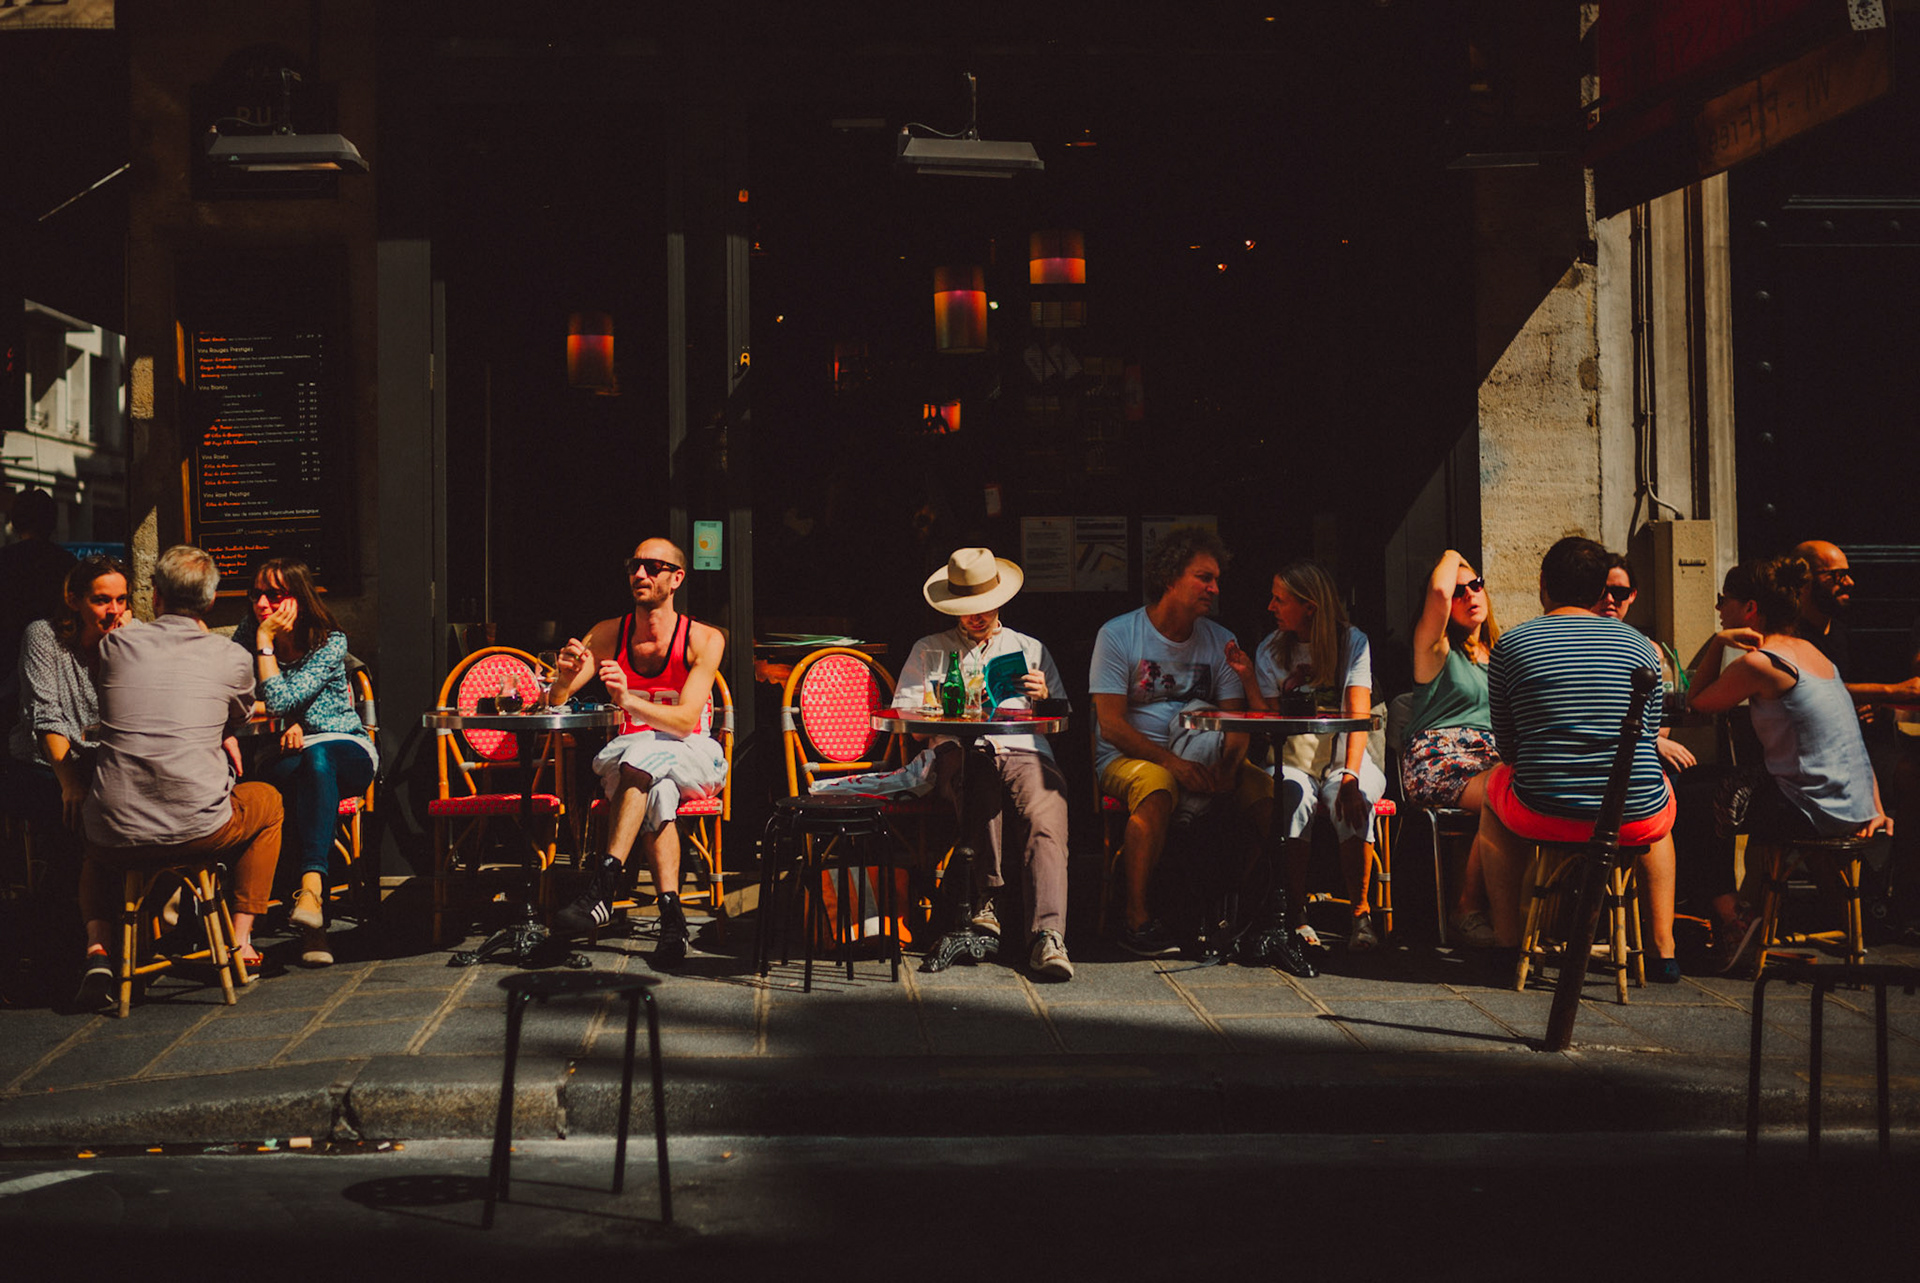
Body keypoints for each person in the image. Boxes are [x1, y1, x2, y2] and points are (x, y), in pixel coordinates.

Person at [75, 545, 283, 1008]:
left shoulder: (115, 646)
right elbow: (240, 713)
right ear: (210, 603)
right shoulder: (231, 657)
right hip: (197, 830)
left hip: (113, 831)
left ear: (154, 595)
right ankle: (239, 939)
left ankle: (98, 946)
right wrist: (223, 733)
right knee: (267, 800)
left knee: (103, 823)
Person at [1475, 537, 1681, 981]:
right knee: (1656, 795)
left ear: (1543, 584)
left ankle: (1507, 942)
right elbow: (1646, 737)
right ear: (1600, 591)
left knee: (1495, 791)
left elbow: (1509, 748)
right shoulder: (1643, 647)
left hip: (1544, 812)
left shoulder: (1511, 646)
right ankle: (1663, 949)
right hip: (1632, 819)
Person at [1687, 555, 1892, 972]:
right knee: (1708, 786)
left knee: (1687, 799)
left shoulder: (1761, 663)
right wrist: (1877, 806)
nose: (1719, 608)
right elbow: (1850, 742)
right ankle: (1737, 914)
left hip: (1811, 809)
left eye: (1723, 600)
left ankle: (1733, 919)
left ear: (1749, 610)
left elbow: (1697, 703)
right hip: (1851, 805)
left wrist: (1718, 642)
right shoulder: (1816, 655)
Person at [1089, 527, 1273, 961]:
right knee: (1157, 788)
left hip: (1207, 754)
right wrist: (1173, 763)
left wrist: (1229, 769)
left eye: (1216, 579)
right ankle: (1135, 918)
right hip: (1130, 756)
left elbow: (1235, 719)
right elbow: (1111, 725)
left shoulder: (1219, 639)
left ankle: (1236, 910)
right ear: (1171, 578)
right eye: (1203, 577)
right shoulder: (1118, 635)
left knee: (1265, 793)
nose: (1214, 588)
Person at [544, 538, 726, 968]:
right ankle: (672, 919)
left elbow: (683, 722)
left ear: (676, 578)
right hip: (634, 767)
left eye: (652, 567)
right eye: (633, 566)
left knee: (648, 755)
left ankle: (603, 886)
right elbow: (555, 700)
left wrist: (628, 700)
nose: (639, 574)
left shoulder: (704, 638)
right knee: (653, 783)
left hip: (693, 753)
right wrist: (564, 680)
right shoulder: (609, 632)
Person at [892, 548, 1073, 980]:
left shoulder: (1028, 648)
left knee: (1047, 811)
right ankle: (987, 899)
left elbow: (1060, 721)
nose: (977, 616)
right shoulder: (929, 650)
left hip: (1023, 746)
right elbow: (907, 723)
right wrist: (940, 707)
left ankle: (1048, 936)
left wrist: (1042, 698)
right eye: (967, 608)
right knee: (979, 774)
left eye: (984, 606)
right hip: (958, 750)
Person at [1226, 560, 1385, 952]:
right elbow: (1270, 722)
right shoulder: (1271, 649)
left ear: (1310, 606)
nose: (1271, 607)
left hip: (1345, 752)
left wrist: (1349, 775)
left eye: (1280, 599)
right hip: (1295, 756)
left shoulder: (1352, 642)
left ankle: (1361, 915)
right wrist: (1248, 677)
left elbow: (1357, 714)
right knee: (1291, 798)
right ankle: (1295, 913)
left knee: (1354, 799)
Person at [231, 557, 376, 968]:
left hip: (344, 746)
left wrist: (265, 646)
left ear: (298, 597)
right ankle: (314, 911)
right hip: (281, 752)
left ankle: (312, 897)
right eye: (256, 594)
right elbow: (231, 698)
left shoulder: (330, 641)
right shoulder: (247, 633)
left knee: (317, 758)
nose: (262, 603)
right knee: (305, 776)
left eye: (274, 595)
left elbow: (275, 699)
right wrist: (283, 723)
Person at [1398, 550, 1500, 947]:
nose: (1470, 594)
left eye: (1476, 585)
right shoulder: (1436, 649)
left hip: (1492, 761)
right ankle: (1467, 908)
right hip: (1440, 759)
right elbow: (1438, 592)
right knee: (1503, 796)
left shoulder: (1500, 654)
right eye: (1460, 591)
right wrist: (1452, 555)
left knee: (1527, 788)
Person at [0, 487, 78, 725]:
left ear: (15, 522)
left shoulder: (4, 560)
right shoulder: (67, 563)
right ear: (52, 522)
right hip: (53, 664)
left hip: (6, 661)